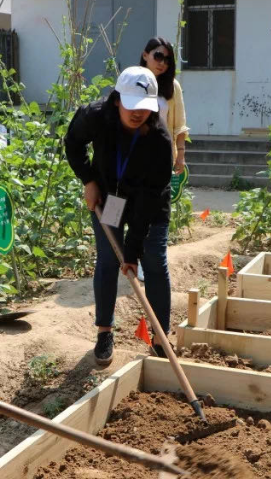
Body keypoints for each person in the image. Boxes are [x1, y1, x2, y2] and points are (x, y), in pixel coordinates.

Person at [65, 66, 173, 365]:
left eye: (145, 108)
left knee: (153, 261)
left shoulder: (160, 141)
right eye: (132, 106)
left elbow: (149, 201)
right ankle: (104, 332)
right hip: (108, 197)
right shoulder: (96, 116)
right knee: (108, 260)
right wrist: (88, 179)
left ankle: (161, 336)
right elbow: (72, 143)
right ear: (117, 100)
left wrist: (133, 251)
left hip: (148, 203)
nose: (138, 114)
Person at [136, 37, 190, 283]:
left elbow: (179, 125)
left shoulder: (172, 87)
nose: (163, 63)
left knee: (157, 209)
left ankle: (152, 259)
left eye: (167, 59)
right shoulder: (132, 81)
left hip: (162, 159)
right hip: (135, 157)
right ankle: (135, 257)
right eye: (158, 56)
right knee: (135, 206)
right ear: (145, 54)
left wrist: (180, 155)